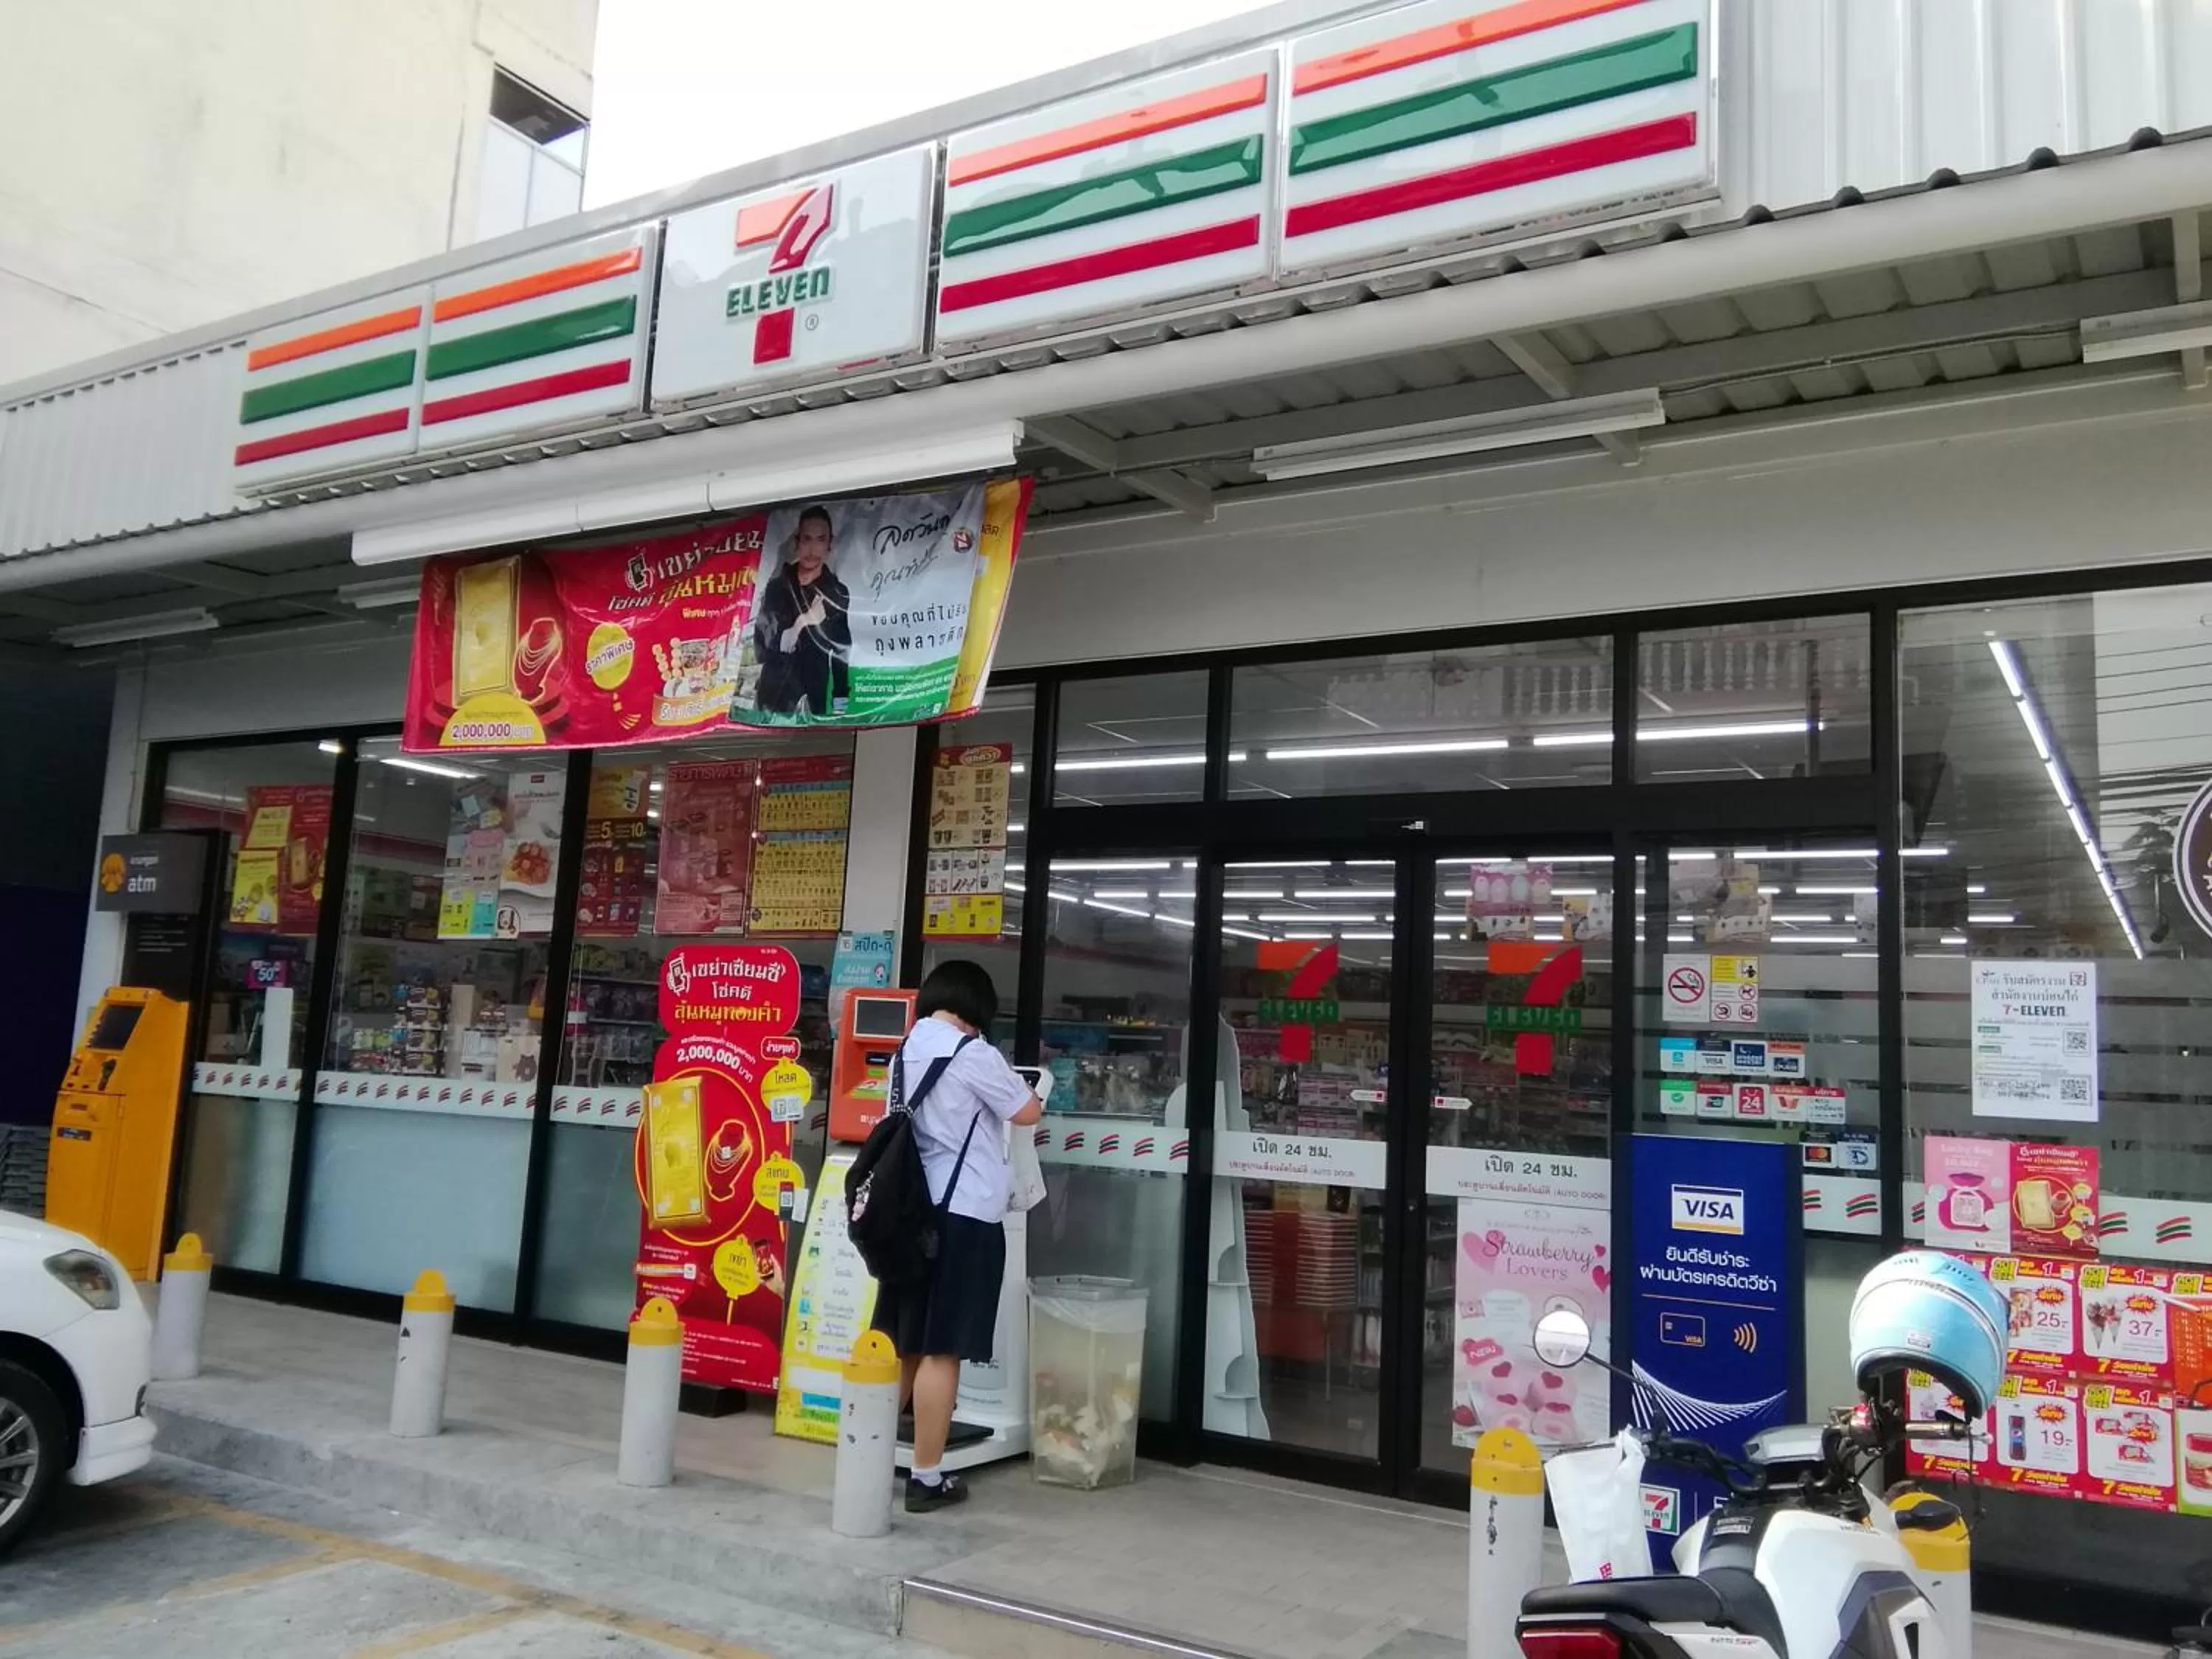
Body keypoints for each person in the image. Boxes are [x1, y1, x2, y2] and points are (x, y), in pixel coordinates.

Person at [869, 959, 1043, 1512]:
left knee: (903, 1344)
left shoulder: (904, 1052)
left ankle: (867, 1460)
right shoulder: (974, 1054)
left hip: (909, 1218)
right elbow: (1028, 1110)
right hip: (963, 1217)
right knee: (942, 1349)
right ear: (975, 1007)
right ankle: (926, 1477)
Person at [751, 504, 851, 717]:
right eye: (807, 539)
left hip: (811, 704)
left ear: (829, 545)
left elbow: (841, 654)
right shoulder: (777, 587)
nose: (813, 549)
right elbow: (761, 648)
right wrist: (802, 623)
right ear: (797, 542)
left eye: (820, 539)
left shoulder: (837, 594)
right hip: (771, 701)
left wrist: (841, 709)